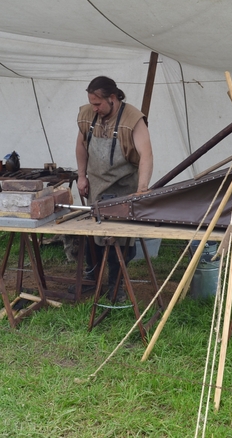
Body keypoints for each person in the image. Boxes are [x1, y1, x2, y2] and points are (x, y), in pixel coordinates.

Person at [74, 76, 153, 301]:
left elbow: (146, 155)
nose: (94, 108)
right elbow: (81, 146)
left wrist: (142, 189)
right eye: (92, 103)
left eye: (98, 104)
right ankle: (92, 280)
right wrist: (81, 176)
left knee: (119, 240)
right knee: (94, 235)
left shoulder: (133, 119)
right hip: (97, 184)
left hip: (123, 186)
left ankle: (116, 285)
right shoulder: (88, 115)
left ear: (112, 98)